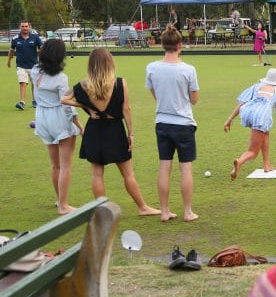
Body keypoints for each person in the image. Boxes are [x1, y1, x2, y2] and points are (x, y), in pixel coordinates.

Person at [61, 48, 159, 216]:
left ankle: (103, 210)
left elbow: (63, 99)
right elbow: (126, 109)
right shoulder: (120, 83)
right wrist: (131, 134)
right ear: (109, 63)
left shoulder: (83, 85)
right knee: (128, 173)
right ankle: (142, 207)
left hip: (94, 130)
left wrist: (86, 105)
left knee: (97, 174)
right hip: (115, 130)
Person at [145, 25, 201, 222]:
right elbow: (194, 99)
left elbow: (154, 93)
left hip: (162, 122)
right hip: (183, 123)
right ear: (179, 45)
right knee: (185, 168)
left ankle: (164, 211)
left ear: (163, 45)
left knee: (164, 167)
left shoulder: (152, 68)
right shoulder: (188, 69)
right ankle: (187, 212)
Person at [31, 38, 82, 214]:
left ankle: (60, 199)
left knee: (55, 165)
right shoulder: (61, 78)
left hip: (42, 117)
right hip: (58, 117)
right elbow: (67, 105)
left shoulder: (34, 71)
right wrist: (79, 125)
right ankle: (63, 205)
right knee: (65, 165)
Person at [225, 68, 276, 179]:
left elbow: (242, 103)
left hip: (247, 111)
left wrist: (229, 119)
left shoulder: (256, 86)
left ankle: (267, 165)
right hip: (260, 115)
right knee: (252, 152)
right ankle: (239, 162)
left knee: (265, 132)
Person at [7, 20, 43, 110]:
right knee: (23, 82)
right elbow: (11, 51)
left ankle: (35, 101)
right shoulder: (15, 38)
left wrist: (44, 60)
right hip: (21, 66)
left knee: (34, 84)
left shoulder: (35, 37)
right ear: (20, 27)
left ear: (29, 27)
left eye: (26, 26)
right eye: (23, 26)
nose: (24, 28)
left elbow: (42, 49)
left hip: (34, 65)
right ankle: (22, 102)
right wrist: (9, 61)